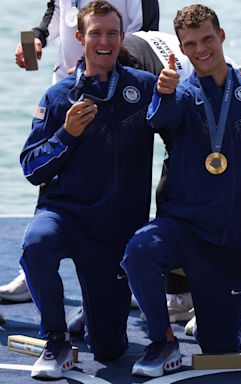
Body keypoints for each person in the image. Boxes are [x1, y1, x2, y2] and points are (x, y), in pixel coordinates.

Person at [120, 4, 241, 378]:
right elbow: (161, 120)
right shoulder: (181, 94)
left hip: (233, 242)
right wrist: (163, 93)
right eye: (190, 44)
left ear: (222, 36)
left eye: (208, 39)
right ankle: (163, 341)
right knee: (139, 252)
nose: (201, 49)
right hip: (184, 231)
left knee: (219, 348)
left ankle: (213, 317)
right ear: (181, 49)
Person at [19, 1, 157, 379]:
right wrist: (67, 135)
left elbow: (189, 115)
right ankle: (56, 339)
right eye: (95, 33)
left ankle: (91, 314)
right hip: (65, 217)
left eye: (112, 33)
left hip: (113, 233)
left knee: (110, 351)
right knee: (35, 245)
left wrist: (239, 78)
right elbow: (31, 168)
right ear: (79, 38)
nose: (104, 41)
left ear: (122, 37)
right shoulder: (59, 95)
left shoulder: (144, 88)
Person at [13, 0, 159, 84]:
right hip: (67, 79)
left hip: (117, 84)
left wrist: (89, 68)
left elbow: (143, 34)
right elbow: (58, 8)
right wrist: (39, 36)